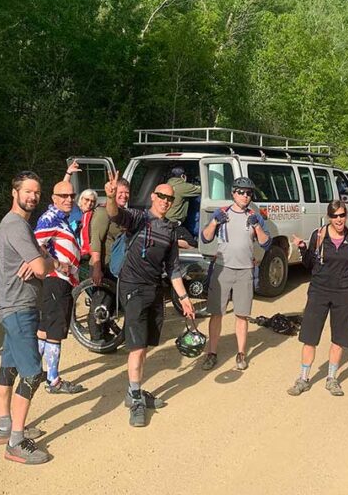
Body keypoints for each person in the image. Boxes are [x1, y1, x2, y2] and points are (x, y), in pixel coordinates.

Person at [104, 171, 195, 427]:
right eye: (162, 196)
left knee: (146, 344)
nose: (165, 201)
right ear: (153, 197)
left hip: (154, 290)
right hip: (132, 288)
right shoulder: (138, 218)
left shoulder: (170, 230)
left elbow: (174, 268)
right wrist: (111, 197)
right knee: (137, 347)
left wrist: (184, 297)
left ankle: (135, 389)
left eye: (170, 198)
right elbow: (115, 214)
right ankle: (135, 398)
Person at [0, 171, 68, 464]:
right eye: (28, 191)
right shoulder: (15, 225)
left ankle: (3, 426)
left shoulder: (18, 225)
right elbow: (41, 267)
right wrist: (51, 262)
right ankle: (16, 442)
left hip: (12, 306)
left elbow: (37, 256)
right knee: (32, 373)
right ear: (15, 192)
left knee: (10, 367)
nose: (33, 197)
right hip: (19, 308)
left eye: (37, 192)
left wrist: (39, 259)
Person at [287, 201, 348, 397]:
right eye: (335, 216)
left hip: (343, 293)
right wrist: (303, 248)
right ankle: (303, 378)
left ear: (345, 216)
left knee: (338, 338)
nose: (339, 219)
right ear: (329, 217)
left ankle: (332, 379)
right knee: (309, 338)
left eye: (342, 215)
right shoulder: (319, 235)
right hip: (319, 291)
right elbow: (308, 264)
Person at [200, 177, 271, 371]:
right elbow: (205, 238)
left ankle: (241, 353)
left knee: (242, 314)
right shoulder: (221, 213)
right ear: (233, 193)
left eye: (248, 193)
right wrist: (214, 222)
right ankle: (211, 353)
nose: (245, 196)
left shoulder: (255, 216)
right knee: (217, 313)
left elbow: (266, 243)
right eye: (241, 192)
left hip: (245, 271)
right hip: (223, 269)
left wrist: (257, 226)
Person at [35, 180, 84, 394]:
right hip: (56, 279)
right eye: (63, 196)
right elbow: (35, 245)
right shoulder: (50, 218)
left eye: (71, 196)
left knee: (45, 329)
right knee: (55, 331)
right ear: (53, 198)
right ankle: (52, 380)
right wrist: (55, 263)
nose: (69, 199)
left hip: (59, 280)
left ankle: (35, 371)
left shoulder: (59, 217)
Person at [88, 178, 130, 343]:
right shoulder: (102, 212)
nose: (124, 196)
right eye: (121, 192)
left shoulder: (121, 214)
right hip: (102, 265)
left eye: (127, 192)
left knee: (110, 302)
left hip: (115, 266)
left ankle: (106, 333)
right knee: (100, 302)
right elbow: (96, 241)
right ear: (112, 193)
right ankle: (96, 338)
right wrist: (97, 267)